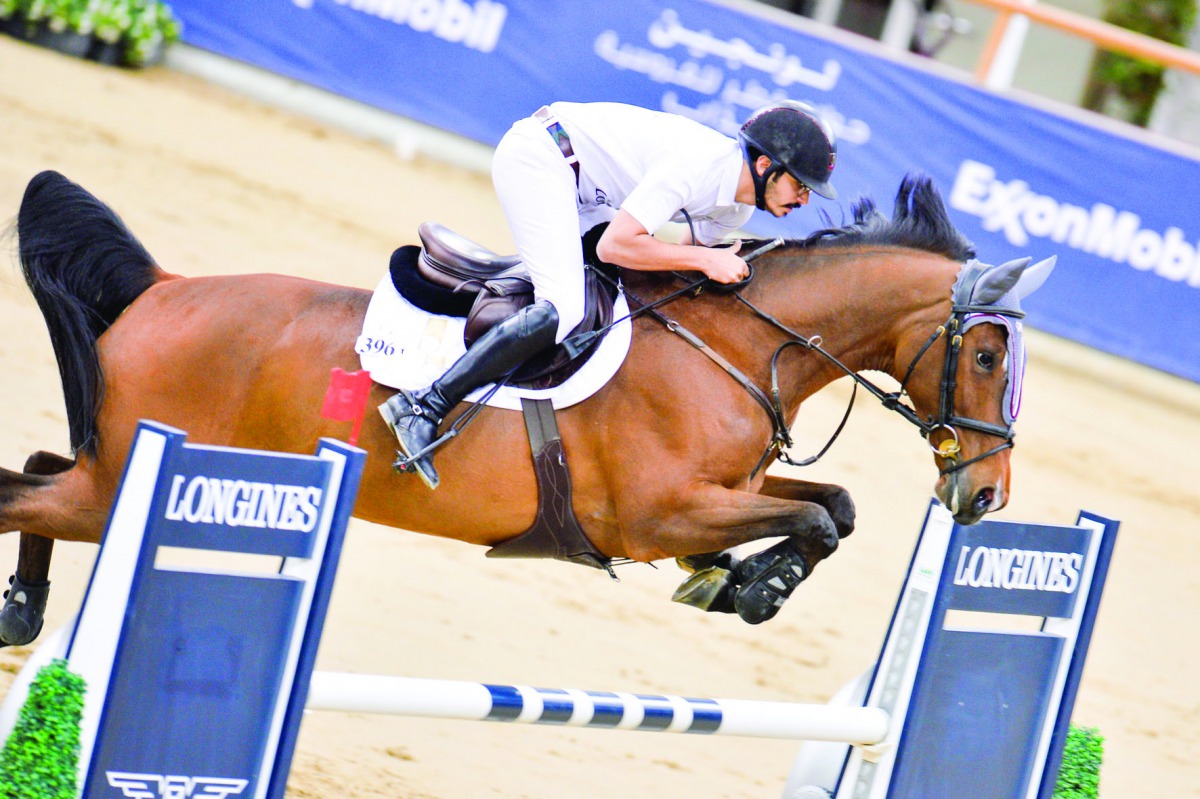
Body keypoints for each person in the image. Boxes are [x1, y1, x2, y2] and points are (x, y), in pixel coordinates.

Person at [380, 99, 839, 489]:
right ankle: (422, 406)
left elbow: (674, 261)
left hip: (588, 192)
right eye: (800, 185)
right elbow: (616, 244)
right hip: (542, 157)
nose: (803, 200)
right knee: (563, 308)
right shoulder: (700, 167)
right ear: (764, 166)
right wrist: (707, 260)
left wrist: (709, 261)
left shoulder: (735, 209)